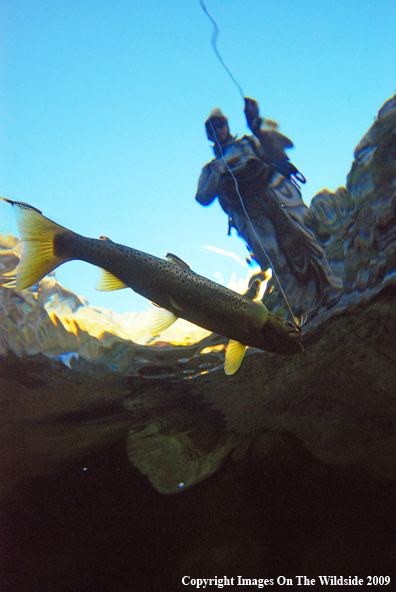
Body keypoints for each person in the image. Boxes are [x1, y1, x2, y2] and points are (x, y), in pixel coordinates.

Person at [195, 97, 341, 318]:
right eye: (213, 127)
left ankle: (330, 284)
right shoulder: (209, 168)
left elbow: (273, 149)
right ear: (209, 134)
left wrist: (255, 122)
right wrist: (217, 172)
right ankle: (301, 308)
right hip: (250, 213)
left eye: (221, 124)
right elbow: (203, 197)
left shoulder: (247, 143)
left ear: (227, 125)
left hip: (273, 196)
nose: (219, 129)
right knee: (273, 257)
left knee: (301, 238)